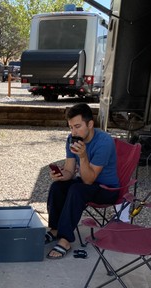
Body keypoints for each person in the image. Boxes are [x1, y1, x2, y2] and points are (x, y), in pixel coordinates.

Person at [45, 103, 119, 259]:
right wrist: (60, 176)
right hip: (88, 184)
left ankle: (66, 239)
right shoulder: (72, 139)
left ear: (90, 124)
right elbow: (70, 171)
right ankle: (55, 229)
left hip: (107, 189)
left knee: (77, 190)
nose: (74, 132)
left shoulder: (104, 142)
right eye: (71, 127)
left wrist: (83, 156)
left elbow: (88, 180)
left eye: (77, 126)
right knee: (58, 187)